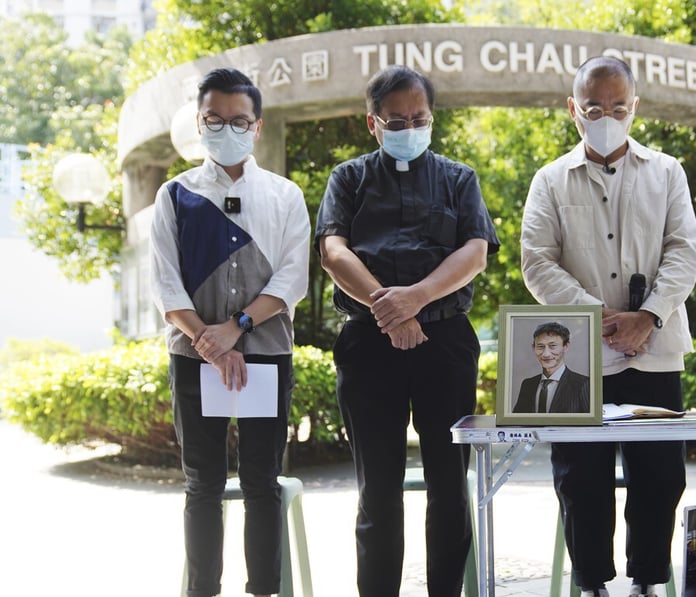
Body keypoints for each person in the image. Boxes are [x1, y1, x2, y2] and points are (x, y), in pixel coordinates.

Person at [314, 65, 499, 597]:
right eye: (397, 120)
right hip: (368, 341)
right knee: (378, 488)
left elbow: (475, 252)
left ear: (432, 118)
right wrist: (387, 307)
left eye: (419, 118)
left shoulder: (459, 178)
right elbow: (333, 251)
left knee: (449, 485)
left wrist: (415, 299)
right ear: (374, 124)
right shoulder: (348, 179)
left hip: (444, 341)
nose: (409, 127)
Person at [520, 56, 696, 597]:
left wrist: (647, 315)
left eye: (618, 107)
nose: (607, 116)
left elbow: (684, 251)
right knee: (580, 478)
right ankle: (593, 584)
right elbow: (536, 259)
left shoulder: (667, 171)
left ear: (635, 108)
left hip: (656, 348)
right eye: (595, 107)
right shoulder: (550, 180)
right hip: (580, 355)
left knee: (660, 476)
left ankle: (647, 581)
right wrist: (593, 316)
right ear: (573, 108)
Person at [150, 67, 310, 597]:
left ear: (257, 126)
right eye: (214, 119)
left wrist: (234, 329)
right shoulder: (174, 196)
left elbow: (292, 277)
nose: (227, 129)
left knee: (262, 480)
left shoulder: (285, 195)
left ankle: (263, 589)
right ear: (199, 122)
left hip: (266, 350)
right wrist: (209, 343)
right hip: (194, 357)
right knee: (203, 484)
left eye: (238, 120)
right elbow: (166, 286)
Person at [514, 321, 591, 413]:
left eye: (553, 346)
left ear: (566, 346)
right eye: (540, 346)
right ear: (533, 348)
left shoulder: (583, 384)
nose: (546, 354)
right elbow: (517, 421)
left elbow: (591, 424)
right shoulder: (528, 385)